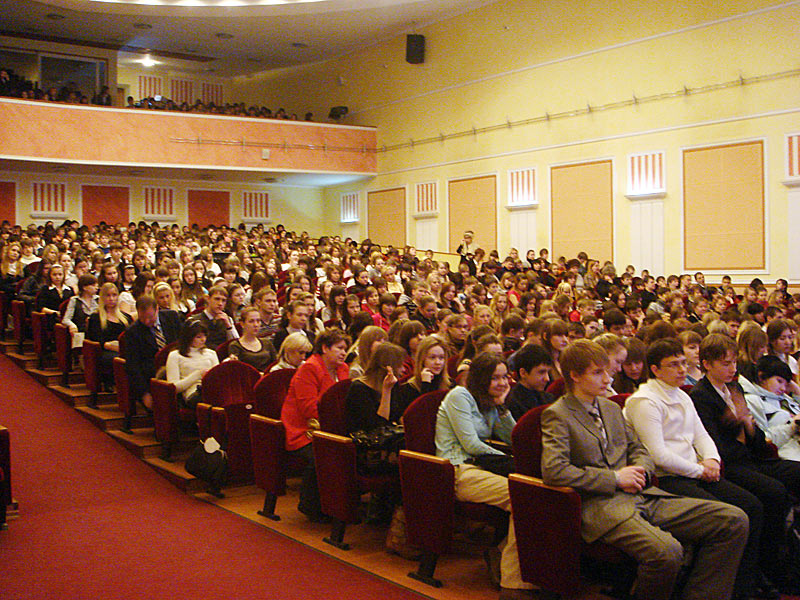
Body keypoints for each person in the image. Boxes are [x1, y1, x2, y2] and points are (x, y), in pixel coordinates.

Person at [541, 339, 748, 600]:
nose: (607, 378)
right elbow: (554, 471)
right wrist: (615, 478)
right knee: (668, 551)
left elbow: (638, 448)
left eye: (607, 370)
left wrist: (640, 469)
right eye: (597, 372)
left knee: (733, 520)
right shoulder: (557, 414)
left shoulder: (609, 407)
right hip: (603, 505)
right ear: (574, 376)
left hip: (643, 494)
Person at [624, 338, 769, 600]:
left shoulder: (681, 394)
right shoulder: (644, 401)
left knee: (752, 505)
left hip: (694, 471)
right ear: (655, 370)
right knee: (729, 516)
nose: (681, 370)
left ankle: (742, 586)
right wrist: (700, 470)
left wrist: (712, 460)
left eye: (682, 363)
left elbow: (701, 436)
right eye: (673, 365)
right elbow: (657, 456)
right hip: (666, 480)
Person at [691, 333, 800, 593]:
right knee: (773, 492)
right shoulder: (701, 396)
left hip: (750, 458)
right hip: (729, 465)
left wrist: (749, 426)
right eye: (725, 364)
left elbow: (759, 444)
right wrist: (737, 424)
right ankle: (767, 567)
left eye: (734, 363)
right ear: (707, 364)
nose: (732, 369)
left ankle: (788, 554)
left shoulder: (736, 388)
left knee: (797, 472)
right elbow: (715, 447)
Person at [435, 351, 529, 597]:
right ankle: (513, 583)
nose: (502, 383)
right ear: (480, 379)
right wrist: (508, 461)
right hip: (458, 469)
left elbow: (513, 437)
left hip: (482, 467)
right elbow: (471, 445)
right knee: (524, 497)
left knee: (534, 492)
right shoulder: (460, 396)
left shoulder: (489, 402)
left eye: (504, 377)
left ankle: (503, 551)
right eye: (495, 378)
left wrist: (502, 408)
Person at [281, 328, 350, 521]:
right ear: (325, 348)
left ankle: (341, 502)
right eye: (339, 348)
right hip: (304, 429)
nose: (343, 352)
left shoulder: (343, 368)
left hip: (332, 426)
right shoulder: (310, 368)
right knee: (323, 455)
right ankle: (311, 505)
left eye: (345, 348)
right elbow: (308, 408)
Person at [124, 294, 182, 409]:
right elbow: (133, 366)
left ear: (157, 309)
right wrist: (144, 393)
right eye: (142, 318)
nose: (146, 321)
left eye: (150, 317)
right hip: (152, 374)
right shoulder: (133, 332)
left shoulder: (172, 317)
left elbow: (183, 342)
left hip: (178, 365)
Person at [742, 355, 800, 462]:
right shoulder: (752, 401)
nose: (783, 388)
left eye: (787, 384)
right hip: (786, 455)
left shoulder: (784, 398)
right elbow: (764, 440)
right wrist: (792, 426)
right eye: (779, 381)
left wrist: (797, 391)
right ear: (762, 377)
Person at [345, 342, 406, 434]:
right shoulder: (358, 389)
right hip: (367, 440)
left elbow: (398, 414)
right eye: (399, 365)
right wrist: (386, 391)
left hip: (390, 437)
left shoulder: (394, 383)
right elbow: (377, 427)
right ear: (387, 368)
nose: (403, 369)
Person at [86, 282, 131, 395]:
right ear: (102, 297)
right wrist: (109, 345)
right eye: (108, 295)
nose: (111, 298)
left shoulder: (126, 318)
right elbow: (94, 338)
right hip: (105, 350)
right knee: (115, 358)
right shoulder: (96, 317)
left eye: (114, 295)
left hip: (123, 348)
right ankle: (111, 383)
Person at [392, 336, 451, 418]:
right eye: (432, 358)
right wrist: (426, 385)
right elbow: (423, 416)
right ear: (422, 360)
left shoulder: (450, 385)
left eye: (441, 358)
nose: (438, 362)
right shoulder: (408, 389)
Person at [165, 320, 219, 409]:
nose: (203, 340)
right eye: (198, 337)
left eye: (205, 336)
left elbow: (218, 379)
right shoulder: (175, 355)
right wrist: (198, 375)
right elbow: (173, 387)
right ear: (188, 338)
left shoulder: (211, 353)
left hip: (212, 390)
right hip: (193, 394)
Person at [505, 344, 554, 420]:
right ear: (523, 373)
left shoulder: (548, 398)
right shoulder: (512, 403)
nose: (547, 378)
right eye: (541, 372)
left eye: (548, 372)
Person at [188, 285, 239, 349]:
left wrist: (228, 326)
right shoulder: (194, 320)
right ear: (208, 299)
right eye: (217, 299)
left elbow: (236, 344)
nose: (220, 303)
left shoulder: (228, 319)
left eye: (223, 300)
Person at [227, 306, 277, 372]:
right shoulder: (235, 346)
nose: (256, 325)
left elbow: (275, 364)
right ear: (242, 324)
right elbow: (237, 370)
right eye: (251, 321)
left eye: (258, 321)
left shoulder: (267, 342)